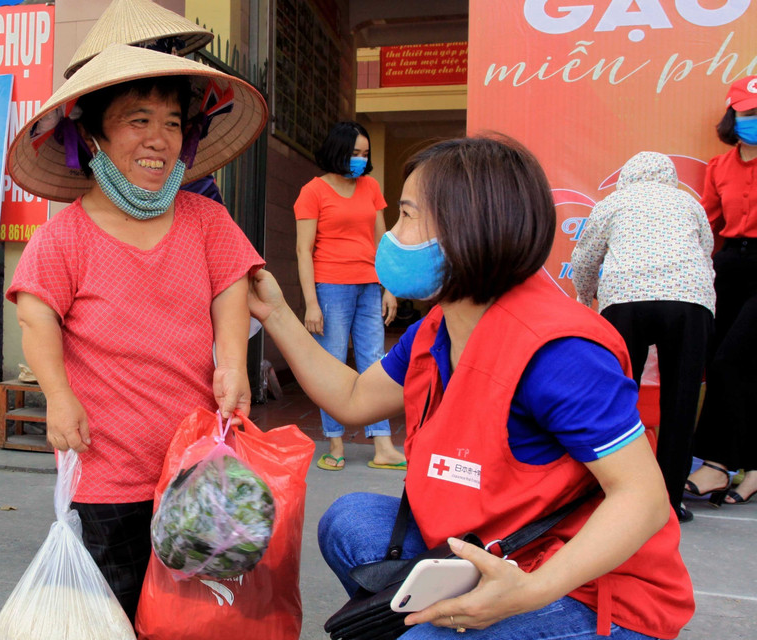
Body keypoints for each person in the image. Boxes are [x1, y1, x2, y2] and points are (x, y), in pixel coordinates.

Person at [248, 136, 694, 638]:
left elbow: (643, 498)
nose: (392, 236)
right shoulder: (437, 327)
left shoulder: (557, 350)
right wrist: (276, 313)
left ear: (467, 228)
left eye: (408, 216)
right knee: (350, 521)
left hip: (585, 590)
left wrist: (531, 590)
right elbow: (353, 398)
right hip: (490, 548)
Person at [5, 44, 267, 624]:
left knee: (199, 611)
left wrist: (232, 364)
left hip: (198, 466)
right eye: (138, 120)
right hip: (106, 474)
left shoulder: (206, 220)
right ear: (93, 135)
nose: (159, 138)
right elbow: (34, 315)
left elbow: (231, 288)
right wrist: (58, 394)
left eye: (172, 123)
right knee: (116, 608)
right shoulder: (64, 236)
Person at [572, 151, 715, 523]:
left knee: (617, 397)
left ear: (626, 175)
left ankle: (616, 491)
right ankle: (669, 501)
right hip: (689, 301)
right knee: (681, 402)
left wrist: (584, 298)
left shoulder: (613, 202)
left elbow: (586, 257)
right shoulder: (688, 201)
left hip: (626, 302)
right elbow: (706, 251)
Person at [294, 121, 403, 471]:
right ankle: (335, 444)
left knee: (375, 361)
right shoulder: (312, 191)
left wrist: (389, 288)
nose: (360, 159)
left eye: (365, 154)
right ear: (337, 151)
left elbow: (381, 241)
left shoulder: (370, 187)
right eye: (354, 153)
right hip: (331, 287)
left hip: (370, 285)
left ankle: (383, 446)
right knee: (333, 363)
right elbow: (302, 250)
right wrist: (311, 302)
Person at [684, 75, 757, 507]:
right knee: (721, 362)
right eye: (749, 113)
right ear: (733, 116)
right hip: (729, 265)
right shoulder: (719, 167)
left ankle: (715, 465)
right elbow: (706, 226)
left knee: (734, 360)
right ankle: (750, 469)